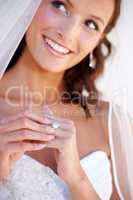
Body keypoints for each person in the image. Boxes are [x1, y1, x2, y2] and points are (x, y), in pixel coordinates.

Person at [0, 0, 132, 199]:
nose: (68, 33)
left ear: (99, 39)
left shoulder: (110, 123)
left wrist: (77, 179)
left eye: (91, 24)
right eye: (60, 5)